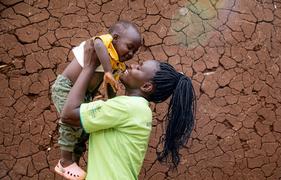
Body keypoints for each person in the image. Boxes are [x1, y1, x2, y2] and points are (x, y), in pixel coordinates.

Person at [60, 41, 196, 179]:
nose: (132, 65)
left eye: (139, 68)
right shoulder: (138, 109)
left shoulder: (128, 107)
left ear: (147, 86)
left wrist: (89, 67)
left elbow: (68, 115)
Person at [51, 20, 142, 179]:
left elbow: (110, 86)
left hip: (85, 94)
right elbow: (98, 44)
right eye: (129, 47)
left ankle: (74, 161)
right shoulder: (104, 44)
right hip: (66, 88)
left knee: (84, 129)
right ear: (115, 37)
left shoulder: (116, 63)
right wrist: (107, 70)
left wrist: (112, 101)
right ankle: (64, 162)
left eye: (134, 52)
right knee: (70, 123)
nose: (131, 54)